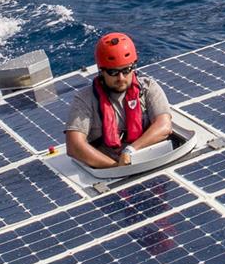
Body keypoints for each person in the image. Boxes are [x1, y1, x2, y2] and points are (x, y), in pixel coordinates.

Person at [64, 32, 172, 169]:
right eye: (113, 72)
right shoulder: (85, 100)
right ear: (101, 71)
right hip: (109, 168)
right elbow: (74, 146)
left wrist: (130, 150)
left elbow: (164, 126)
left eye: (126, 70)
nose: (121, 78)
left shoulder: (148, 88)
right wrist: (117, 167)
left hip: (150, 160)